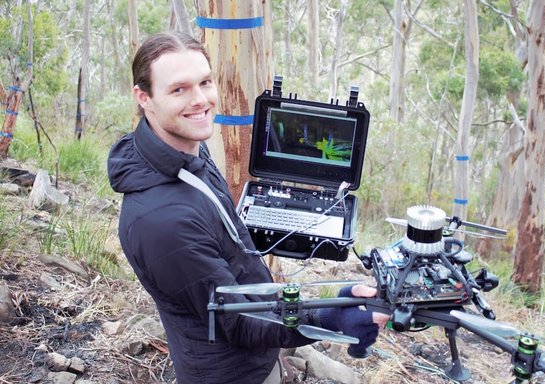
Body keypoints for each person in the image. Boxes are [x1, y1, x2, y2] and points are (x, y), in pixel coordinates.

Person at [107, 31, 389, 384]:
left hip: (253, 356)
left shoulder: (184, 153)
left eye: (205, 83)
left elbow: (218, 234)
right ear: (143, 97)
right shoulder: (161, 222)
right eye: (179, 89)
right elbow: (237, 321)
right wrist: (327, 316)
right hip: (231, 373)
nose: (200, 100)